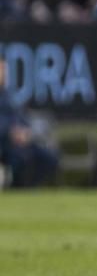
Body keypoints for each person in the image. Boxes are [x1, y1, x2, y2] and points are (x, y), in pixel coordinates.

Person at [0, 58, 59, 188]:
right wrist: (10, 133)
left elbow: (20, 117)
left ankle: (29, 187)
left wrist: (26, 131)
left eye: (4, 70)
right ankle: (16, 186)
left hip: (22, 141)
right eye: (1, 70)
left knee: (50, 158)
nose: (3, 73)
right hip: (5, 143)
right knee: (19, 158)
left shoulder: (8, 94)